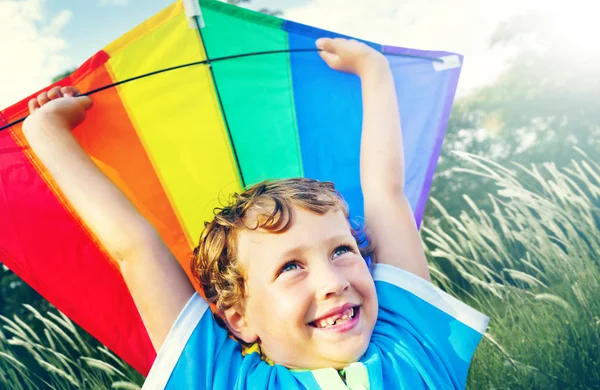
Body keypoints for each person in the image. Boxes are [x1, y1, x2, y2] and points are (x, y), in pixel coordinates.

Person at [23, 38, 489, 389]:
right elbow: (136, 249)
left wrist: (374, 71)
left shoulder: (410, 336)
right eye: (290, 266)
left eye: (342, 250)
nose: (333, 282)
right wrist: (47, 135)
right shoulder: (223, 380)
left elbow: (386, 193)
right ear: (239, 318)